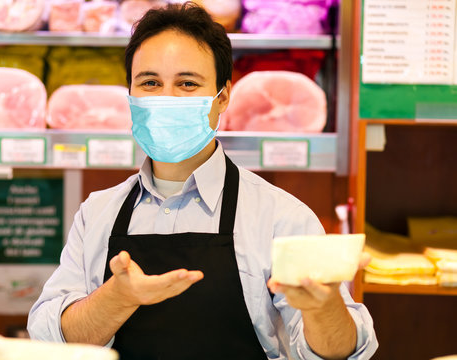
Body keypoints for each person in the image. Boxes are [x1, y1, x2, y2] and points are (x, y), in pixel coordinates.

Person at [28, 3, 378, 359]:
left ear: (222, 96)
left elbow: (345, 353)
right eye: (150, 83)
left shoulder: (281, 217)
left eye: (187, 84)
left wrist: (324, 309)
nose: (166, 98)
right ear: (130, 94)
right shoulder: (97, 214)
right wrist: (116, 298)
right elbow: (49, 341)